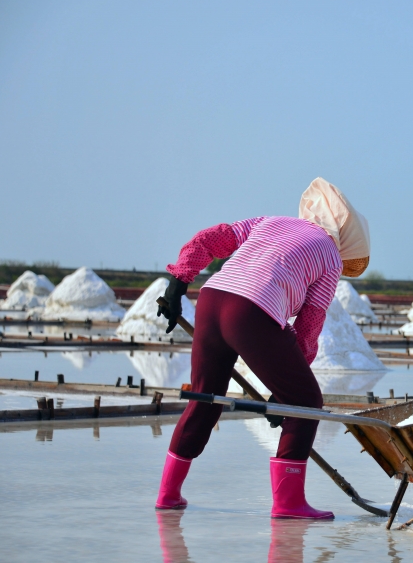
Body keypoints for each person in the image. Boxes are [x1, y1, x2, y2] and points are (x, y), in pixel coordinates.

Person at [154, 177, 370, 519]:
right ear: (346, 239)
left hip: (211, 300)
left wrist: (178, 282)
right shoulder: (330, 256)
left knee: (204, 398)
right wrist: (288, 395)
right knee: (306, 402)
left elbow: (209, 239)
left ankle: (168, 494)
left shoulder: (269, 221)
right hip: (251, 312)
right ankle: (289, 503)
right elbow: (308, 327)